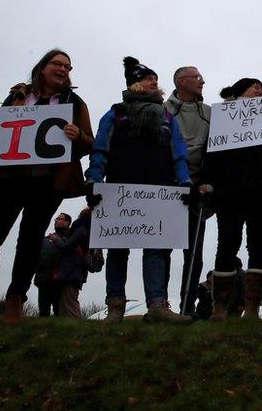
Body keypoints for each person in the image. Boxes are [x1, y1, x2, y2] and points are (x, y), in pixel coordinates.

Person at [0, 50, 95, 323]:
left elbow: (89, 143)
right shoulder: (17, 96)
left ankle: (15, 299)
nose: (63, 70)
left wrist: (77, 135)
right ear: (43, 67)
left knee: (30, 238)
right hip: (9, 179)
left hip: (48, 181)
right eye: (57, 64)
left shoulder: (74, 103)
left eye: (68, 67)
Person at [85, 56, 193, 324]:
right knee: (117, 249)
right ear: (134, 84)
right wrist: (93, 179)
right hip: (120, 190)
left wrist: (185, 181)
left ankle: (157, 305)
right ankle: (115, 307)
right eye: (148, 79)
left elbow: (178, 151)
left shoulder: (166, 116)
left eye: (155, 79)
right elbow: (101, 148)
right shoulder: (115, 114)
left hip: (160, 190)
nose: (154, 82)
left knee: (156, 249)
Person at [200, 76, 262, 320]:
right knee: (227, 244)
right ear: (240, 92)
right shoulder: (224, 118)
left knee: (258, 247)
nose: (260, 90)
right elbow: (211, 151)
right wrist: (205, 181)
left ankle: (252, 306)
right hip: (230, 194)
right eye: (255, 86)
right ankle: (220, 306)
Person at [164, 65, 212, 316]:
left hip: (198, 188)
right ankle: (159, 304)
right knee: (162, 247)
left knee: (194, 250)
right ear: (182, 81)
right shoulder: (164, 109)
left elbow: (216, 150)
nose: (202, 81)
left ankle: (188, 305)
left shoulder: (209, 113)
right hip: (168, 186)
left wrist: (207, 181)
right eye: (197, 77)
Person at [34, 213, 73, 316]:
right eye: (56, 219)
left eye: (59, 219)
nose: (56, 220)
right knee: (43, 311)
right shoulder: (46, 239)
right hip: (43, 278)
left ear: (67, 222)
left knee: (59, 311)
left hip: (61, 280)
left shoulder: (71, 239)